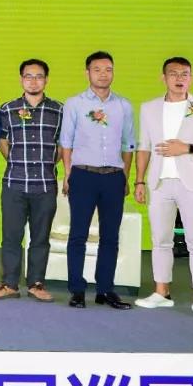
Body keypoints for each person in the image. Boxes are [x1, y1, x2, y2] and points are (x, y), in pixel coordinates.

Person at [134, 57, 193, 318]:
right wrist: (140, 180)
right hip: (159, 183)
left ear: (191, 78)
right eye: (173, 73)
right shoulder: (149, 108)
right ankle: (161, 292)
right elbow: (143, 147)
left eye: (185, 74)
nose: (179, 78)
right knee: (160, 240)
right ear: (163, 77)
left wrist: (187, 148)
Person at [60, 51, 135, 310]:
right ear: (87, 73)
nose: (103, 74)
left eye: (108, 69)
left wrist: (125, 175)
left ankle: (105, 289)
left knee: (110, 236)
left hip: (113, 177)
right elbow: (66, 142)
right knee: (78, 235)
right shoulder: (75, 104)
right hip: (83, 175)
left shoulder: (124, 105)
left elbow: (128, 144)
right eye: (97, 69)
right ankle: (77, 290)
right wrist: (67, 174)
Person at [0, 59, 63, 302]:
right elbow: (1, 140)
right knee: (11, 237)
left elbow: (63, 144)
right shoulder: (7, 109)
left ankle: (36, 284)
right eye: (28, 76)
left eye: (39, 76)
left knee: (40, 238)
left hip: (45, 185)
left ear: (46, 80)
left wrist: (49, 163)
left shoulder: (59, 110)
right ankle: (9, 283)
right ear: (21, 79)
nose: (33, 81)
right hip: (15, 183)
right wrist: (15, 159)